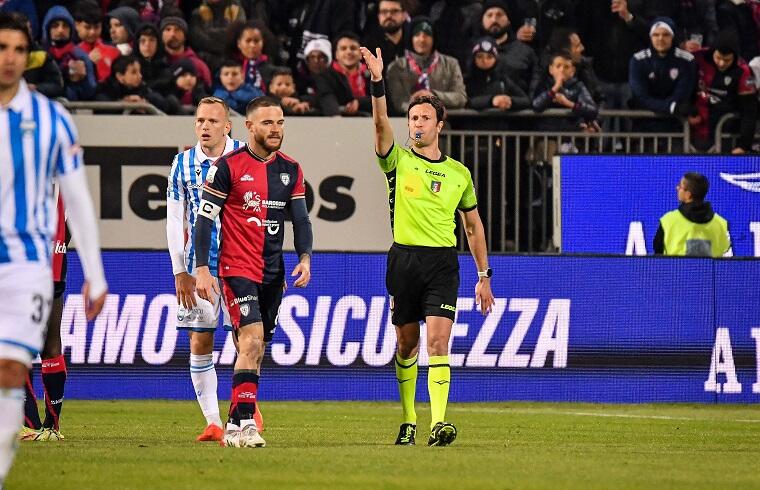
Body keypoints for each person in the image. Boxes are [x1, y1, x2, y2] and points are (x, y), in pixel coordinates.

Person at [360, 46, 495, 446]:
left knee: (438, 342)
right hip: (403, 260)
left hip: (442, 264)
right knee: (407, 343)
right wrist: (378, 81)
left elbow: (473, 227)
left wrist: (484, 275)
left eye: (424, 117)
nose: (416, 123)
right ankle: (408, 419)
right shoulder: (396, 160)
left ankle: (439, 423)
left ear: (440, 124)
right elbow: (380, 122)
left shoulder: (459, 174)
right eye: (413, 117)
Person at [0, 12, 107, 485]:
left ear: (30, 56)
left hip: (30, 261)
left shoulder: (51, 119)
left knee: (25, 354)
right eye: (2, 47)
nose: (9, 59)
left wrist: (96, 273)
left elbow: (78, 198)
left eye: (18, 50)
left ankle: (42, 425)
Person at [195, 96, 313, 448]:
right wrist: (202, 268)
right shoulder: (228, 166)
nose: (275, 129)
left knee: (256, 348)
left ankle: (233, 423)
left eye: (279, 123)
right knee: (251, 340)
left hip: (273, 273)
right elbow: (204, 220)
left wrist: (305, 258)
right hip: (236, 268)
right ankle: (245, 424)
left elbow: (302, 220)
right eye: (267, 123)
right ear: (249, 127)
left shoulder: (291, 169)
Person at [166, 97, 247, 442]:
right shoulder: (182, 163)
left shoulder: (247, 155)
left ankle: (246, 406)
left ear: (227, 126)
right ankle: (214, 421)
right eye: (200, 120)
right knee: (200, 341)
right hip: (201, 266)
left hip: (243, 262)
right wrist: (179, 270)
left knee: (249, 340)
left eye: (213, 121)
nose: (205, 127)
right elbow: (174, 217)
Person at [19, 194, 70, 442]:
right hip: (54, 260)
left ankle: (29, 425)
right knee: (51, 345)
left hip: (20, 263)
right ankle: (51, 427)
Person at [691, 31, 757, 154]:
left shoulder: (743, 71)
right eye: (718, 58)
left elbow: (749, 110)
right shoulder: (698, 58)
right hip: (693, 131)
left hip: (724, 134)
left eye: (727, 60)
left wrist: (744, 145)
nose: (721, 63)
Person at [386, 16, 467, 115]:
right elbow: (398, 102)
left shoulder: (451, 64)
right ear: (410, 38)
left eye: (427, 35)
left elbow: (461, 98)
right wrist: (424, 111)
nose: (422, 39)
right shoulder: (396, 67)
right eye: (417, 35)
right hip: (406, 125)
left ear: (434, 38)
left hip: (443, 126)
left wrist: (433, 95)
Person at [629, 17, 697, 131]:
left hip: (676, 126)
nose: (660, 39)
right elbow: (641, 97)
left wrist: (674, 106)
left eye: (665, 35)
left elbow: (683, 94)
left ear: (673, 36)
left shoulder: (687, 61)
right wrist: (671, 107)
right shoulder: (638, 60)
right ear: (650, 37)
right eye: (656, 35)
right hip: (644, 126)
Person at [653, 172, 732, 257]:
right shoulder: (721, 223)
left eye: (680, 186)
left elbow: (658, 254)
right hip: (708, 270)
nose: (677, 188)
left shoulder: (668, 221)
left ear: (688, 194)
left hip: (674, 270)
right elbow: (724, 249)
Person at [42, 5, 97, 101]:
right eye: (55, 25)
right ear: (47, 29)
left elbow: (90, 91)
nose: (60, 30)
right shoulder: (39, 53)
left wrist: (80, 80)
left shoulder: (79, 55)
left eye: (65, 26)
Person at [465, 36, 530, 112]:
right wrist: (492, 100)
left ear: (495, 59)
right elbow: (466, 101)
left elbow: (526, 100)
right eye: (479, 56)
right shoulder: (466, 80)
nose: (484, 61)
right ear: (474, 58)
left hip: (499, 122)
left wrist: (510, 101)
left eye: (489, 57)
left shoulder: (502, 80)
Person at [315, 32, 372, 116]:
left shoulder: (373, 73)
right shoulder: (325, 76)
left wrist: (359, 103)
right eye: (343, 48)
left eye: (353, 48)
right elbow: (327, 98)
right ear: (336, 55)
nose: (348, 52)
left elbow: (383, 100)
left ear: (361, 54)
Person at [73, 0, 121, 83]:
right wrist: (88, 63)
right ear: (77, 25)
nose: (92, 32)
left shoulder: (114, 51)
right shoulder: (71, 54)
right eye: (87, 27)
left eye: (96, 27)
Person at [161, 16, 213, 90]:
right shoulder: (156, 63)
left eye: (178, 30)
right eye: (168, 29)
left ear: (185, 36)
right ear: (161, 35)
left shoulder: (198, 65)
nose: (172, 34)